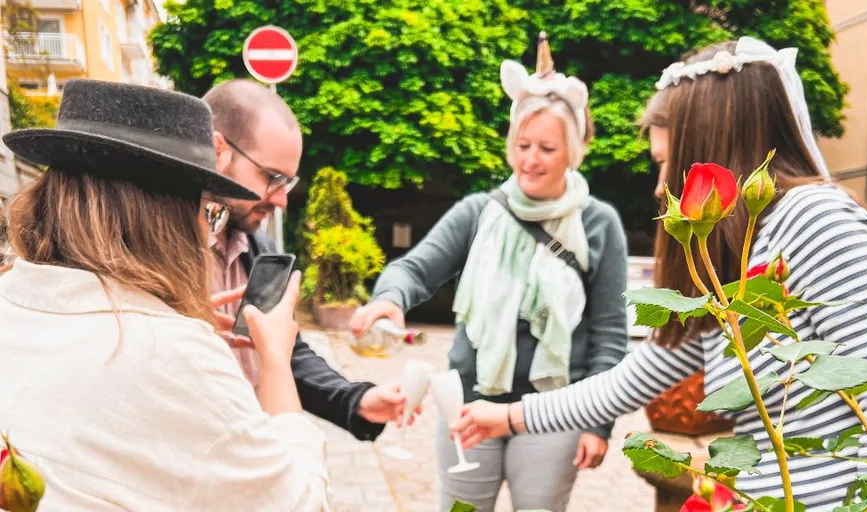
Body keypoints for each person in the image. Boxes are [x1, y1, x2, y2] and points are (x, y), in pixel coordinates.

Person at [453, 37, 867, 511]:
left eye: (665, 163)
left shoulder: (819, 220)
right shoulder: (733, 258)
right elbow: (628, 382)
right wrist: (509, 416)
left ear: (710, 152)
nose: (658, 186)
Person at [0, 79, 330, 510]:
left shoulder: (12, 299)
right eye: (208, 211)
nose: (206, 231)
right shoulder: (174, 354)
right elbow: (301, 502)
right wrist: (275, 361)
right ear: (168, 222)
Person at [350, 33, 629, 512]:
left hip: (553, 413)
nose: (529, 159)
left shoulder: (599, 224)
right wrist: (389, 298)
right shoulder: (480, 211)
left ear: (573, 152)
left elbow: (609, 336)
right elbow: (416, 267)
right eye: (522, 144)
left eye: (546, 148)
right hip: (465, 403)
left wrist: (597, 423)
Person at [200, 79, 406, 441]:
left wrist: (356, 398)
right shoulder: (160, 250)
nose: (281, 201)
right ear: (219, 149)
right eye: (272, 177)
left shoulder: (259, 249)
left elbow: (285, 352)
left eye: (288, 183)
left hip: (257, 457)